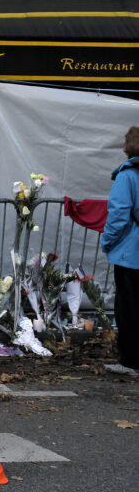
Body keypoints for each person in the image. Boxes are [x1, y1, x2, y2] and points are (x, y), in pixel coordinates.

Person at [102, 126, 139, 377]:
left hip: (131, 253)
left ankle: (131, 361)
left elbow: (118, 216)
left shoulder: (127, 176)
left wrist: (107, 241)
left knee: (129, 308)